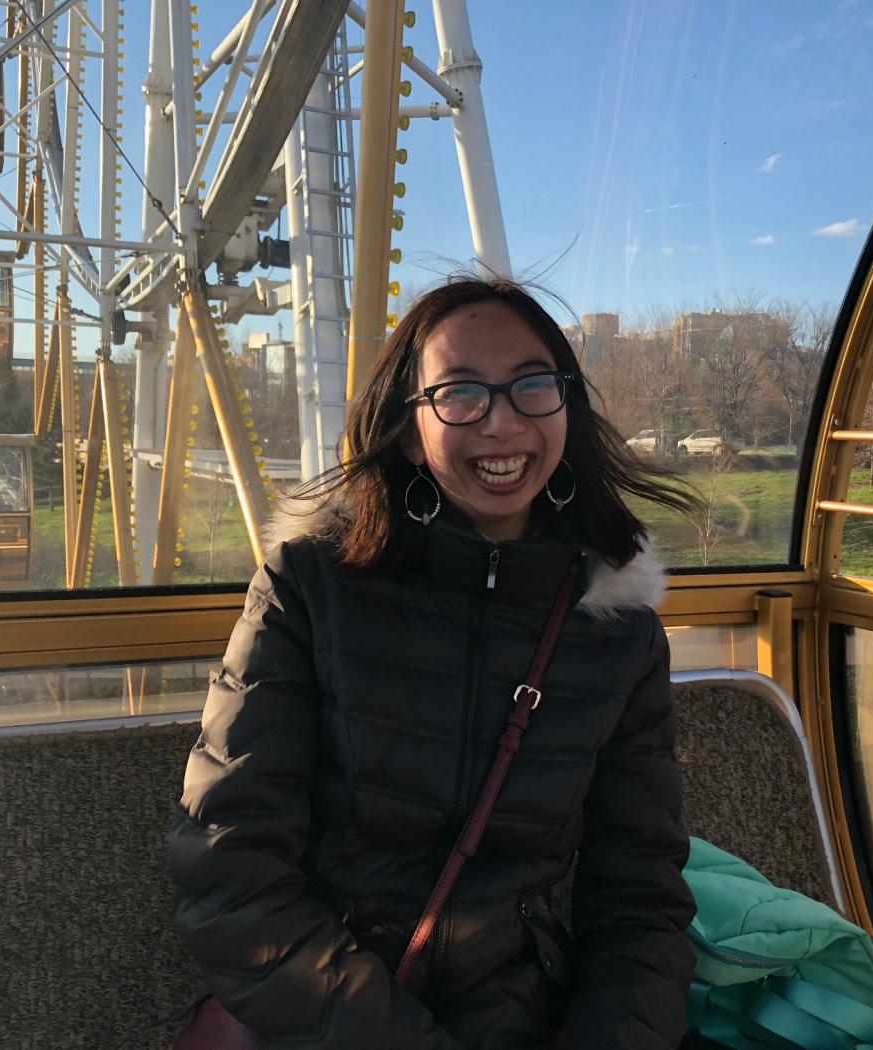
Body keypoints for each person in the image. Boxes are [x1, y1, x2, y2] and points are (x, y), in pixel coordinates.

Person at [168, 277, 701, 1049]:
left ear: (566, 406)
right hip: (327, 1014)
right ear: (412, 429)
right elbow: (229, 869)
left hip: (523, 1014)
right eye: (460, 393)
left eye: (531, 386)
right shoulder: (312, 588)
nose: (502, 421)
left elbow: (639, 896)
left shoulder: (615, 634)